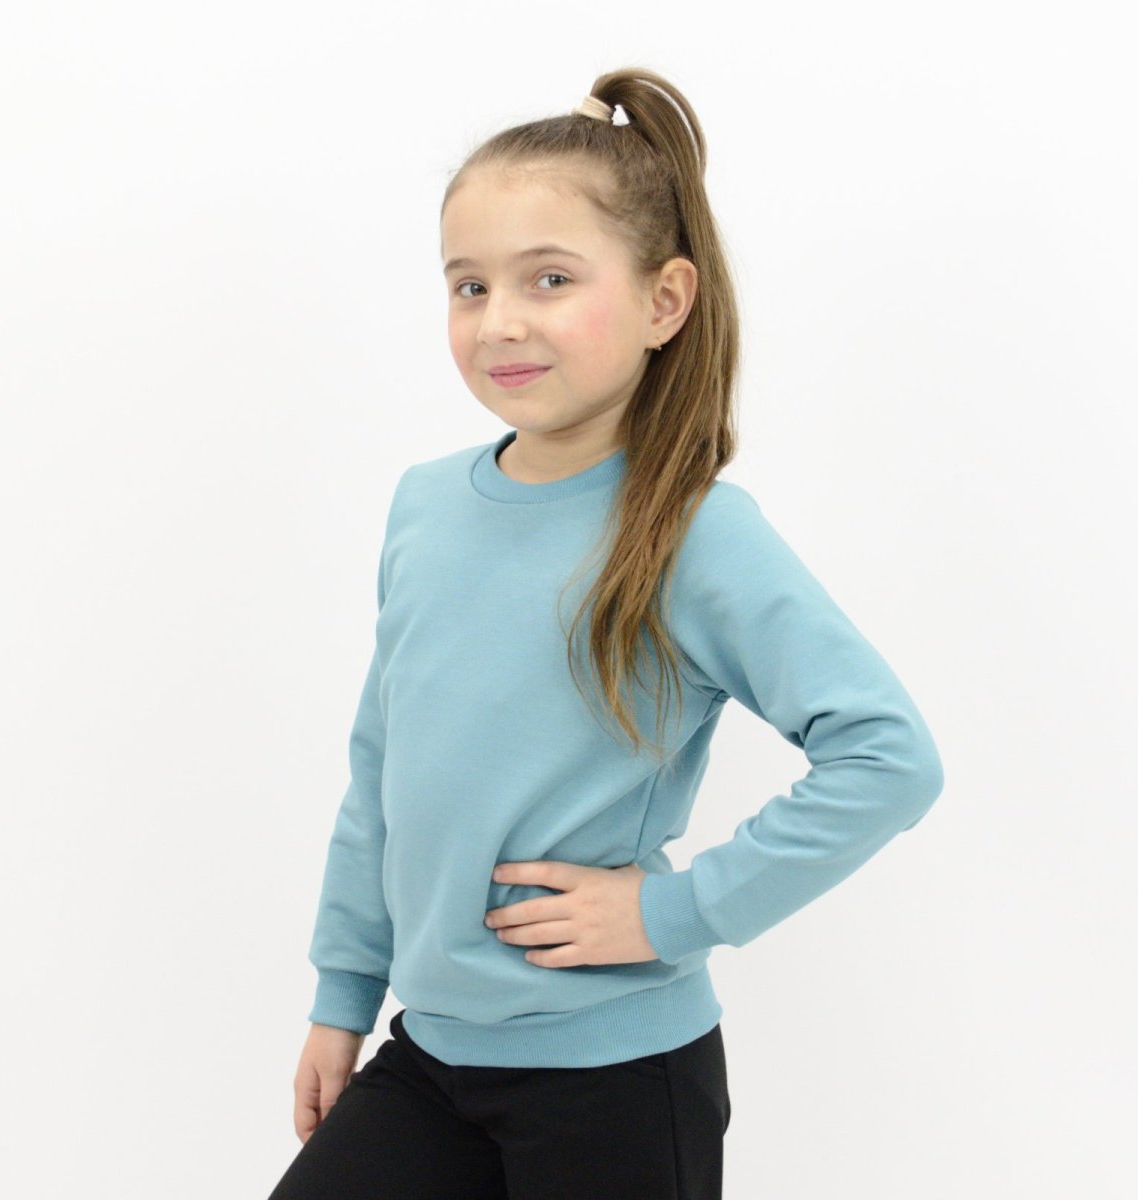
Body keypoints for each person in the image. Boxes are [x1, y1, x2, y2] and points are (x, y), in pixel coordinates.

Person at [267, 66, 944, 1200]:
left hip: (617, 1082)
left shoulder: (694, 533)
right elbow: (381, 774)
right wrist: (343, 996)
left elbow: (888, 757)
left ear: (664, 302)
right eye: (470, 284)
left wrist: (675, 912)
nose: (501, 319)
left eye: (550, 278)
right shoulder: (425, 506)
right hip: (428, 1059)